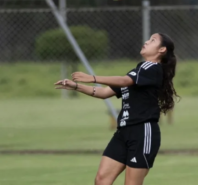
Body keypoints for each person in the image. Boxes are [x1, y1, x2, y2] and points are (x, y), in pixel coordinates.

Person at [54, 33, 178, 185]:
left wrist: (93, 78)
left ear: (162, 50)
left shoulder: (151, 68)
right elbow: (104, 92)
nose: (146, 42)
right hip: (123, 133)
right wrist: (76, 86)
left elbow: (124, 80)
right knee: (101, 180)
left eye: (152, 40)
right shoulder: (139, 71)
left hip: (142, 133)